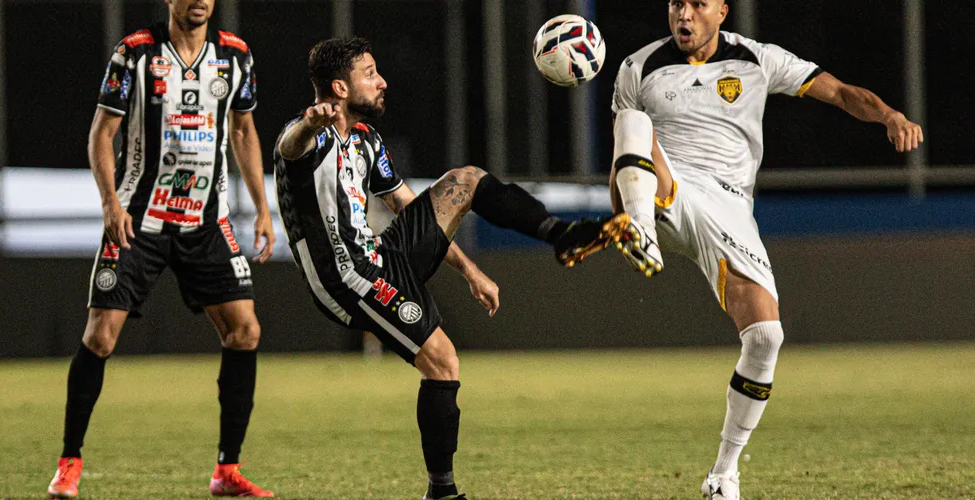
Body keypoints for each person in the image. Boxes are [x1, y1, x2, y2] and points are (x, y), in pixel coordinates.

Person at [274, 37, 628, 500]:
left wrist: (469, 270)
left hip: (381, 253)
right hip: (346, 277)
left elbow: (404, 202)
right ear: (339, 89)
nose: (382, 82)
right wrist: (307, 122)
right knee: (442, 361)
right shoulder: (313, 135)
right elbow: (289, 146)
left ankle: (560, 235)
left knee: (467, 180)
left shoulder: (364, 138)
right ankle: (441, 493)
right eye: (370, 73)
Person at [608, 1, 923, 498]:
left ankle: (723, 474)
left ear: (721, 11)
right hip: (665, 191)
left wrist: (888, 115)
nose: (683, 15)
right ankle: (641, 230)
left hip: (731, 206)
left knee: (765, 338)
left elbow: (839, 91)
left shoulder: (758, 59)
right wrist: (635, 210)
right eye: (675, 4)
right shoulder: (638, 65)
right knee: (630, 120)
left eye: (696, 5)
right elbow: (624, 151)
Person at [47, 0, 276, 497]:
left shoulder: (236, 56)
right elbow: (101, 135)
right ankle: (69, 461)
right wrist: (110, 203)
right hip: (139, 220)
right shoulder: (134, 54)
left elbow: (242, 130)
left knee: (245, 331)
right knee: (101, 337)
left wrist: (261, 203)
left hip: (206, 222)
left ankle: (226, 470)